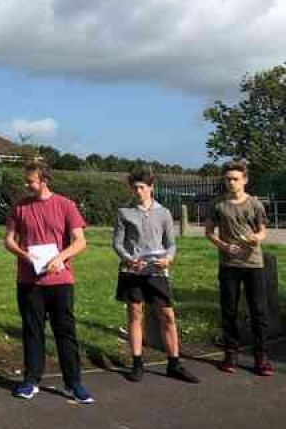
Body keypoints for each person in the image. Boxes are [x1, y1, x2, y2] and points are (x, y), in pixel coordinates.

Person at [3, 161, 94, 403]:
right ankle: (31, 381)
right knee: (33, 332)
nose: (26, 184)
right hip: (29, 281)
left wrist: (60, 257)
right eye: (26, 180)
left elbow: (80, 241)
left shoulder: (66, 205)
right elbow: (9, 240)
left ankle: (73, 383)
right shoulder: (20, 207)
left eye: (30, 181)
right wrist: (23, 254)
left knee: (65, 332)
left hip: (60, 280)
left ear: (44, 180)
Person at [112, 171, 199, 383]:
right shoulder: (124, 212)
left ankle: (174, 363)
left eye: (142, 187)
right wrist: (129, 259)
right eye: (134, 187)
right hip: (132, 271)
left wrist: (168, 259)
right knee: (135, 315)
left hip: (157, 271)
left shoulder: (165, 213)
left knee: (167, 316)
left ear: (151, 187)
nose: (138, 191)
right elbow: (117, 243)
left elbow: (171, 244)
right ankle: (137, 362)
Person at [205, 160, 273, 376]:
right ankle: (230, 354)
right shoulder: (218, 204)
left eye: (235, 179)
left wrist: (256, 238)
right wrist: (224, 245)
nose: (231, 182)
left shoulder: (255, 204)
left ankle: (261, 357)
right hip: (228, 265)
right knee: (229, 311)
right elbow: (209, 232)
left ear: (245, 180)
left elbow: (263, 231)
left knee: (258, 311)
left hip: (253, 264)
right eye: (228, 179)